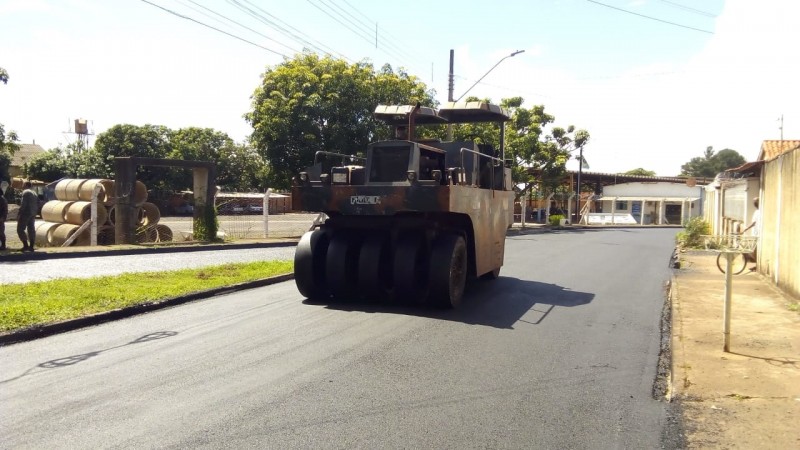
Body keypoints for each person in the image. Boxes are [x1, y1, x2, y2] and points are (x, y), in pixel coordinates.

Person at [17, 181, 38, 252]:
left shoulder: (26, 192)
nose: (22, 186)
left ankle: (25, 245)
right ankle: (31, 246)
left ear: (26, 185)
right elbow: (38, 203)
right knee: (31, 229)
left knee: (20, 229)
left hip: (26, 213)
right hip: (33, 213)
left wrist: (20, 213)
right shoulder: (34, 193)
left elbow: (23, 204)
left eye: (23, 184)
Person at [741, 197, 760, 271]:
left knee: (753, 250)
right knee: (753, 251)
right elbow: (754, 223)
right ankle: (757, 265)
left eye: (756, 202)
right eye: (754, 202)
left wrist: (746, 228)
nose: (754, 203)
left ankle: (757, 265)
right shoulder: (757, 212)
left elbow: (753, 223)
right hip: (755, 234)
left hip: (758, 235)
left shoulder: (760, 212)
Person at [0, 184, 8, 251]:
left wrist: (3, 218)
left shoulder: (2, 199)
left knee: (1, 232)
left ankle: (3, 245)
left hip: (0, 218)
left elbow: (5, 210)